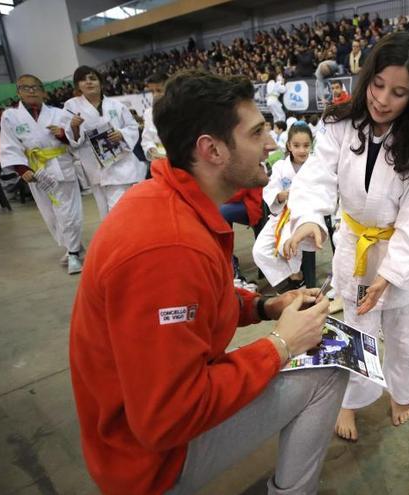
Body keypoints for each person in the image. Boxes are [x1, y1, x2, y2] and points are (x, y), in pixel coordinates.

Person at [69, 70, 348, 495]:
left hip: (140, 431)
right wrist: (280, 344)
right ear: (211, 149)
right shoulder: (169, 249)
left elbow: (201, 301)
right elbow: (167, 418)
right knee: (327, 372)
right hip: (148, 462)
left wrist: (263, 306)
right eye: (257, 133)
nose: (271, 145)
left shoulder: (164, 202)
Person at [283, 32, 409, 441]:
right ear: (367, 76)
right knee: (358, 331)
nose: (383, 99)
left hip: (401, 256)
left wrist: (389, 275)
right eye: (378, 84)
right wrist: (308, 219)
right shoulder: (340, 123)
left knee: (406, 338)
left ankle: (401, 394)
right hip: (355, 245)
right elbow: (317, 176)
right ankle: (353, 401)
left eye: (399, 92)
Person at [0, 74, 84, 274]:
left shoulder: (59, 113)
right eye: (25, 87)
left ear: (43, 91)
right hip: (36, 170)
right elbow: (9, 145)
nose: (31, 91)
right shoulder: (10, 116)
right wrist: (22, 169)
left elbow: (77, 139)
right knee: (51, 216)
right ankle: (74, 246)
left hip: (62, 167)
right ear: (18, 92)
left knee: (69, 213)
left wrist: (64, 135)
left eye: (35, 87)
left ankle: (73, 254)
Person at [65, 66, 145, 219]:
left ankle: (123, 239)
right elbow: (72, 139)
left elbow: (132, 126)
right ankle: (116, 239)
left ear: (100, 83)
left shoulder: (117, 106)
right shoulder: (71, 106)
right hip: (95, 166)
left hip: (122, 163)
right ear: (77, 86)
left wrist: (121, 134)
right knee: (106, 213)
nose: (89, 82)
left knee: (120, 210)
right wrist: (74, 127)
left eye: (93, 78)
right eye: (83, 80)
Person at [254, 124, 315, 292]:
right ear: (289, 145)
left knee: (286, 246)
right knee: (259, 251)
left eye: (306, 145)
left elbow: (324, 192)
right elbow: (271, 189)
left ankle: (296, 277)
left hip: (304, 216)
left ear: (312, 145)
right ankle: (289, 283)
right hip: (281, 214)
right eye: (296, 145)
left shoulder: (316, 167)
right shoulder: (280, 167)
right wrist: (282, 195)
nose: (302, 150)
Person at [141, 72, 167, 162]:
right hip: (160, 161)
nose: (155, 95)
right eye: (152, 91)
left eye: (159, 90)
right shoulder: (148, 113)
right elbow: (146, 140)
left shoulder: (182, 109)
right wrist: (151, 149)